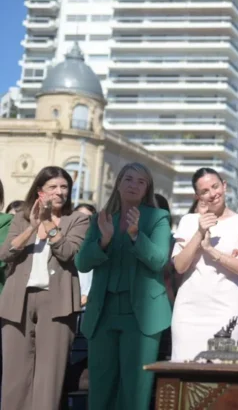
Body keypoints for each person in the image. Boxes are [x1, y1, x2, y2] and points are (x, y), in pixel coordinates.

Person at [75, 162, 172, 410]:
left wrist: (135, 235)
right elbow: (82, 263)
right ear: (118, 184)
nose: (133, 185)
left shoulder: (158, 218)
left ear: (147, 189)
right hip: (103, 313)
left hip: (141, 317)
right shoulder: (101, 219)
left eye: (141, 182)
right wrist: (104, 241)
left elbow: (159, 260)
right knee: (100, 390)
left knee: (134, 392)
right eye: (128, 179)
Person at [0, 166, 89, 410]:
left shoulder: (78, 220)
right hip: (18, 300)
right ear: (40, 192)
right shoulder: (20, 218)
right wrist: (32, 226)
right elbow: (6, 254)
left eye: (64, 187)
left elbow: (69, 253)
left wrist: (49, 224)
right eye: (52, 187)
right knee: (15, 376)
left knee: (49, 377)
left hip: (57, 303)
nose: (59, 192)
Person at [171, 168, 238, 361]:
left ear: (224, 186)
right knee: (185, 375)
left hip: (226, 311)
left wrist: (211, 250)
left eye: (215, 186)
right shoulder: (189, 221)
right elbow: (180, 266)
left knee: (222, 375)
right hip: (188, 312)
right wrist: (199, 232)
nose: (212, 194)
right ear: (198, 196)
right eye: (205, 191)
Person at [73, 203, 97, 307]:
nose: (83, 221)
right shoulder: (63, 241)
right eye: (79, 216)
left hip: (88, 302)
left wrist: (87, 295)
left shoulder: (99, 244)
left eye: (88, 218)